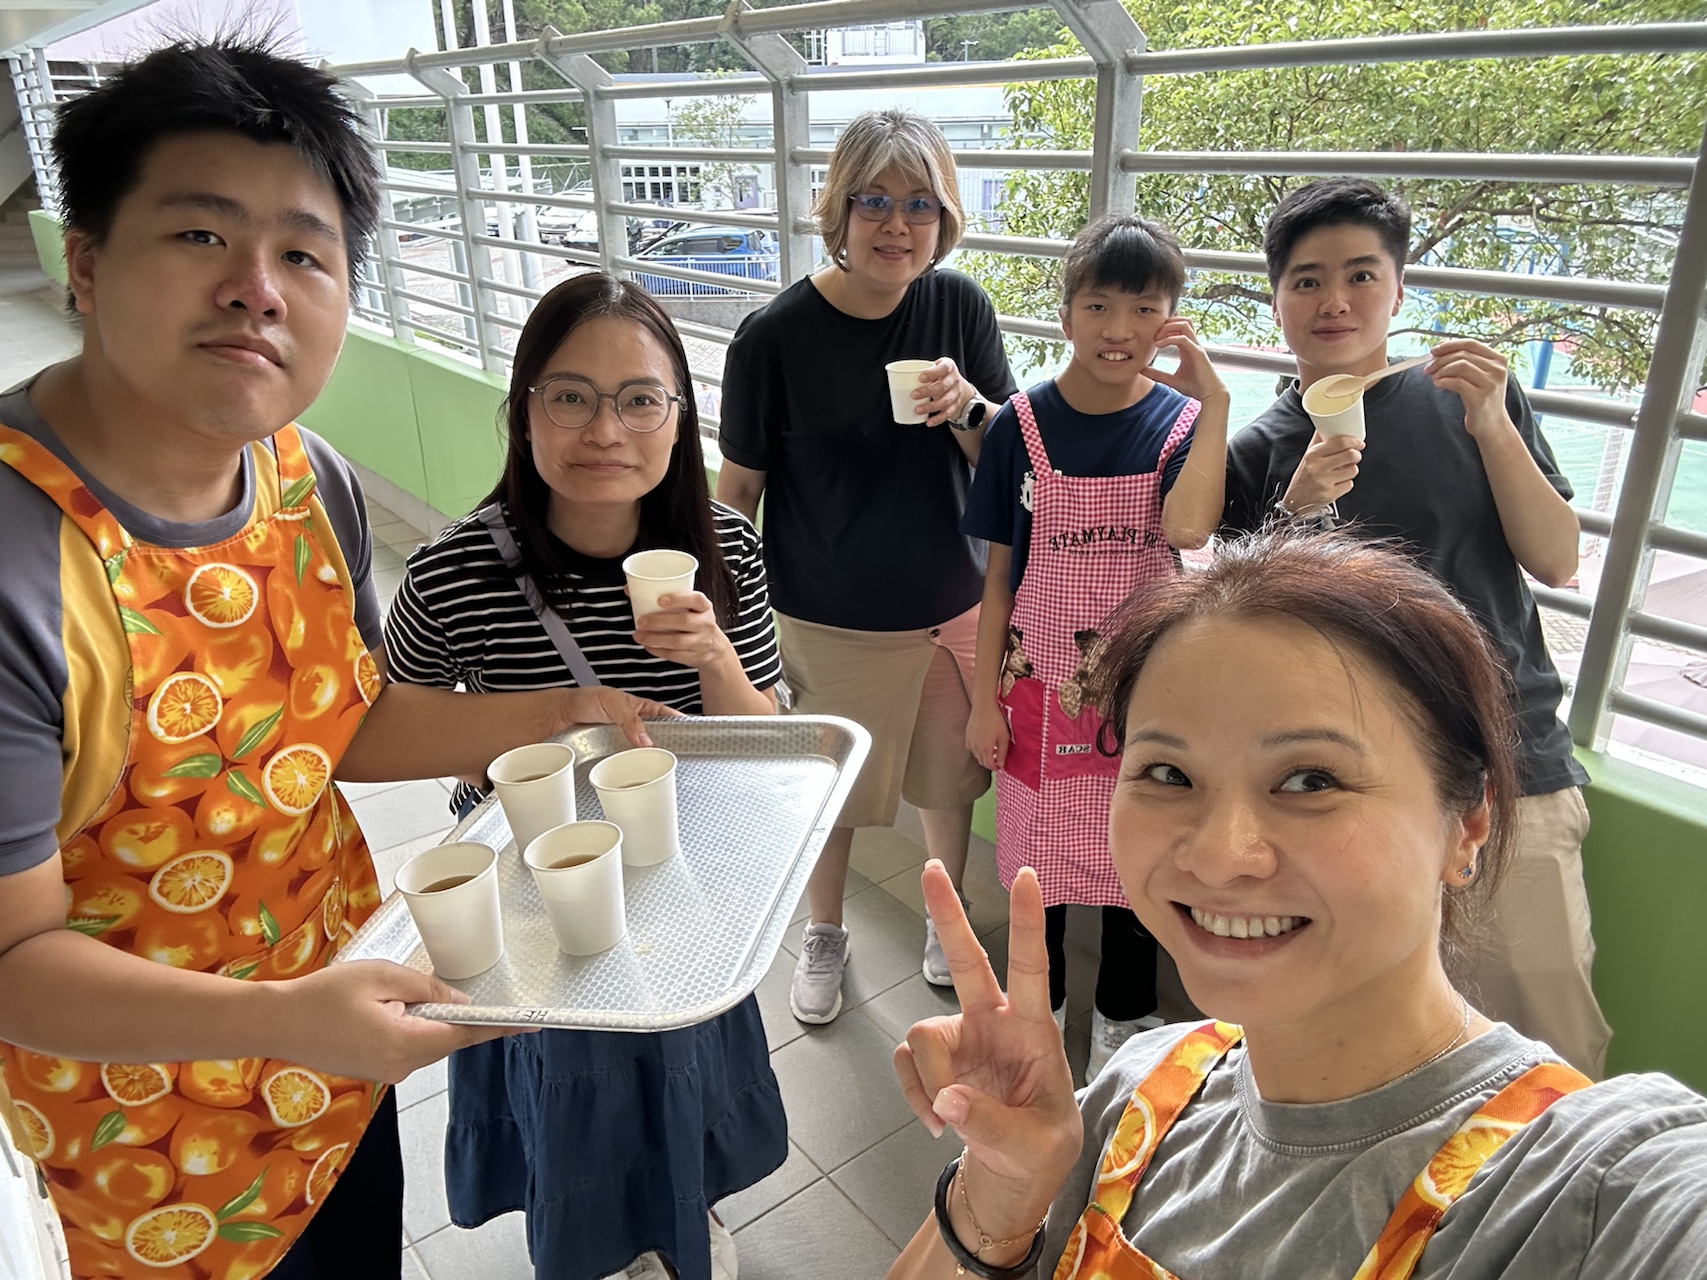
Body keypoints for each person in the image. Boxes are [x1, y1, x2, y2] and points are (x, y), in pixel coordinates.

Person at [0, 41, 665, 1280]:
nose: (257, 290)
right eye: (201, 234)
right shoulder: (20, 561)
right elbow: (13, 962)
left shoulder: (309, 480)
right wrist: (278, 1018)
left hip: (334, 1046)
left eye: (304, 254)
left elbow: (338, 720)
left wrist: (564, 709)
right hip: (141, 1144)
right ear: (84, 261)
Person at [885, 532, 1707, 1280]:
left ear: (1467, 822)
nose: (1218, 856)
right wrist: (998, 1196)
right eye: (1168, 774)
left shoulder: (1579, 1189)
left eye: (1310, 781)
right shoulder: (1140, 1088)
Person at [383, 272, 786, 1280]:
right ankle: (590, 1234)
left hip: (683, 868)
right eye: (569, 396)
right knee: (571, 1081)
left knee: (681, 1058)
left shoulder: (727, 550)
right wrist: (531, 735)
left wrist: (714, 658)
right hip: (533, 886)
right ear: (523, 411)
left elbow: (769, 744)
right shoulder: (451, 573)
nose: (606, 429)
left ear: (678, 416)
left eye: (639, 399)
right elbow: (391, 728)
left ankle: (688, 1202)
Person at [1221, 177, 1608, 1079]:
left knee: (1548, 1031)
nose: (1335, 300)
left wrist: (1492, 425)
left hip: (1505, 764)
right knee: (1364, 1031)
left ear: (1397, 291)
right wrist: (1293, 513)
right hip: (1346, 783)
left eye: (1361, 274)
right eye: (1307, 280)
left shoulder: (1466, 403)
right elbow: (1252, 633)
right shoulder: (1261, 448)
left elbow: (1555, 559)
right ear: (1276, 301)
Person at [716, 109, 1018, 1023]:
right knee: (829, 799)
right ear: (837, 210)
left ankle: (944, 920)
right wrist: (729, 625)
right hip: (826, 618)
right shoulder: (773, 338)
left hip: (950, 607)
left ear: (944, 217)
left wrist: (968, 409)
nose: (897, 224)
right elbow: (737, 493)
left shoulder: (959, 307)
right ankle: (823, 932)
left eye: (920, 204)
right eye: (873, 201)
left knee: (946, 786)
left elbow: (1005, 460)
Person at [960, 214, 1228, 1082]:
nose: (1120, 329)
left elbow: (1190, 531)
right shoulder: (1019, 425)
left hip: (1145, 693)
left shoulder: (1183, 424)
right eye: (1099, 305)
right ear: (1066, 313)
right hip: (1035, 688)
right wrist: (981, 703)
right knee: (1036, 869)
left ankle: (1122, 1022)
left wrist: (1218, 406)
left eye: (1144, 308)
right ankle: (1036, 1023)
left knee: (1135, 860)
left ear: (1171, 318)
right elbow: (998, 581)